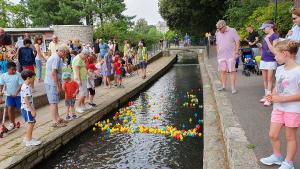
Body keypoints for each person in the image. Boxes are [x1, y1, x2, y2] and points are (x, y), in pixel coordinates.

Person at [260, 40, 300, 169]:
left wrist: (281, 99)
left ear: (285, 53)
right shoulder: (280, 69)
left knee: (290, 137)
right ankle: (277, 157)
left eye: (276, 54)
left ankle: (289, 163)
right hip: (278, 108)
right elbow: (278, 87)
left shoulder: (298, 71)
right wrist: (272, 94)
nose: (274, 57)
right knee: (273, 134)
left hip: (292, 110)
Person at [45, 44, 69, 128]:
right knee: (53, 103)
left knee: (55, 101)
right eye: (66, 54)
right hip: (51, 83)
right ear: (62, 52)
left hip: (52, 83)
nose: (66, 56)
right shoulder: (56, 58)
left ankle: (58, 118)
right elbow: (53, 73)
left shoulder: (58, 58)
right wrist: (57, 86)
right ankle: (55, 121)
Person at [215, 20, 240, 94]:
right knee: (223, 71)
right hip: (221, 55)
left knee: (232, 71)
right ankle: (223, 86)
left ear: (224, 26)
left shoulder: (232, 30)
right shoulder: (218, 33)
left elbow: (237, 41)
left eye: (220, 28)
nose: (219, 30)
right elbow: (217, 43)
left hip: (231, 55)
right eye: (218, 29)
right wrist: (217, 52)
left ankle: (233, 88)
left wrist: (236, 51)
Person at [258, 21, 279, 106]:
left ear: (270, 27)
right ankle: (266, 95)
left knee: (270, 79)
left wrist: (267, 41)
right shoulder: (264, 36)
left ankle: (269, 98)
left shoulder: (275, 36)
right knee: (265, 79)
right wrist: (261, 46)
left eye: (264, 28)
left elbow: (274, 50)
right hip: (264, 59)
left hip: (271, 60)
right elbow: (263, 48)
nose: (263, 30)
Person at [20, 70, 41, 146]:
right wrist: (32, 110)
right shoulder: (26, 88)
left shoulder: (25, 86)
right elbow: (26, 100)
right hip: (27, 109)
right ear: (28, 78)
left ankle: (27, 138)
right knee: (31, 124)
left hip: (26, 108)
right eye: (33, 78)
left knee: (32, 122)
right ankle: (29, 141)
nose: (34, 79)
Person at [0, 62, 23, 130]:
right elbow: (1, 84)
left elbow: (21, 85)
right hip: (9, 95)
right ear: (7, 69)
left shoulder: (18, 74)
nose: (14, 71)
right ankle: (12, 123)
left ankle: (29, 121)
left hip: (18, 95)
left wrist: (16, 92)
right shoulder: (3, 76)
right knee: (10, 109)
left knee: (22, 108)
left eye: (15, 69)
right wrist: (1, 92)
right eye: (12, 69)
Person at [72, 49, 91, 113]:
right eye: (87, 56)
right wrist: (79, 80)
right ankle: (77, 107)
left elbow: (82, 68)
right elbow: (77, 70)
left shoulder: (80, 58)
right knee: (82, 93)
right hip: (80, 79)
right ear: (84, 54)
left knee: (84, 93)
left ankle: (83, 105)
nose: (87, 57)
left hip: (83, 78)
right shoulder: (78, 59)